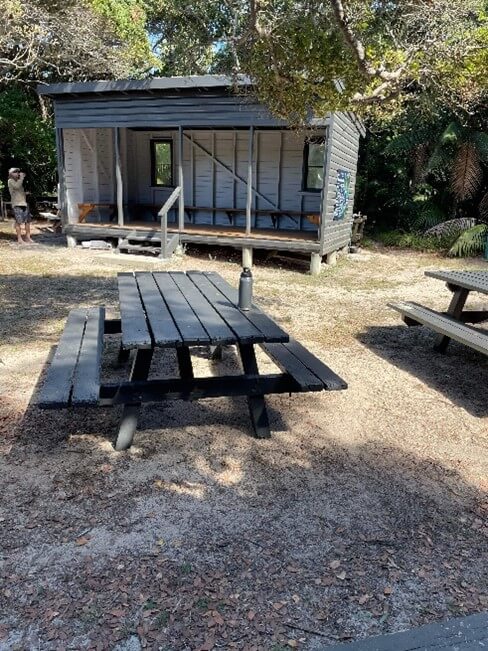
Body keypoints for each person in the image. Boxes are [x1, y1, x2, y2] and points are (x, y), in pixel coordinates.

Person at [7, 167, 35, 244]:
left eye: (18, 171)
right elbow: (17, 186)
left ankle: (28, 238)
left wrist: (26, 193)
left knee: (27, 221)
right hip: (17, 204)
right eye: (15, 171)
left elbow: (18, 191)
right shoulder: (10, 181)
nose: (17, 173)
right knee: (18, 222)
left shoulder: (18, 181)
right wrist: (21, 178)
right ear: (11, 174)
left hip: (24, 203)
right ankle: (19, 239)